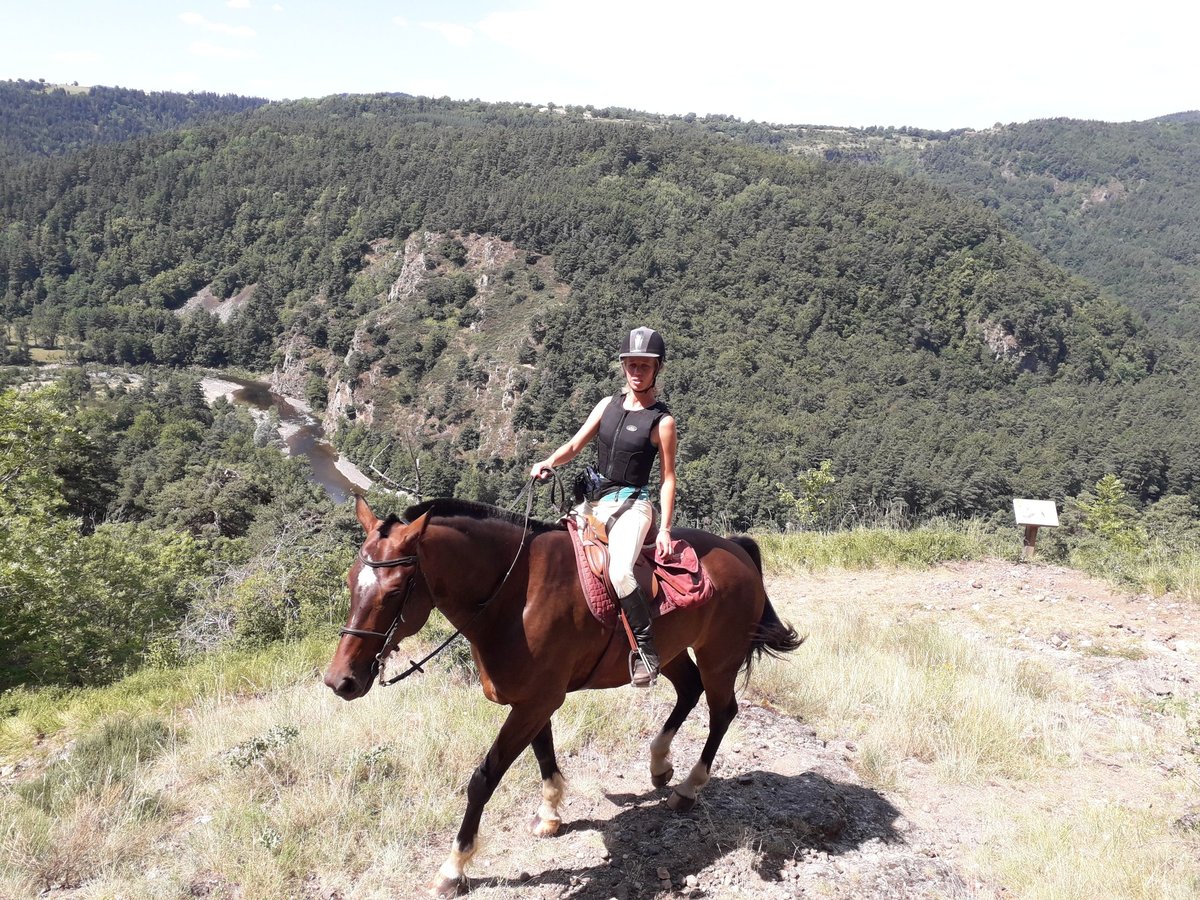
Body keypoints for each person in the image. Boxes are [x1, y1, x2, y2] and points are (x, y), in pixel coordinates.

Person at [530, 326, 677, 687]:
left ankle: (646, 650)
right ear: (623, 366)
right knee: (553, 552)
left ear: (656, 369)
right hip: (594, 504)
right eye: (631, 364)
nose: (636, 371)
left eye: (644, 365)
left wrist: (667, 530)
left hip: (634, 507)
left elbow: (668, 478)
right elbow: (575, 445)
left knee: (620, 572)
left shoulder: (662, 421)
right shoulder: (606, 405)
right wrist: (548, 461)